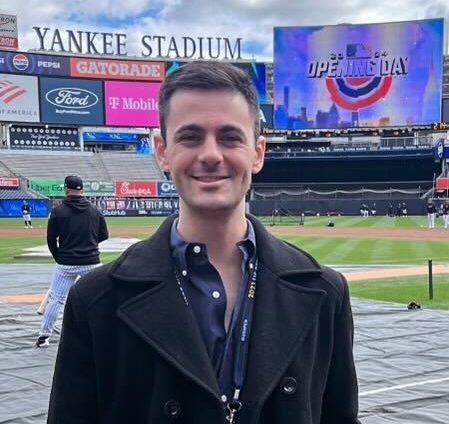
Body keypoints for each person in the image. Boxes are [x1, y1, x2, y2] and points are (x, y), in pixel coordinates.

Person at [48, 62, 360, 423]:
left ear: (258, 153)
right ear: (163, 151)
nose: (211, 154)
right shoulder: (95, 300)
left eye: (230, 137)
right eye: (191, 137)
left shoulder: (325, 293)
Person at [36, 175, 109, 347]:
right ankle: (103, 334)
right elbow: (104, 235)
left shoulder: (58, 211)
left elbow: (50, 239)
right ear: (82, 189)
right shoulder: (94, 210)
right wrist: (89, 245)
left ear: (66, 189)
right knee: (98, 298)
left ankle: (43, 337)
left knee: (56, 300)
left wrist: (60, 257)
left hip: (66, 263)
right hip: (91, 261)